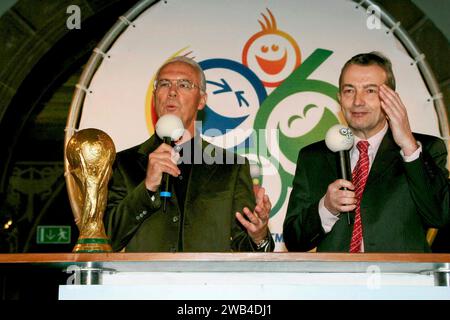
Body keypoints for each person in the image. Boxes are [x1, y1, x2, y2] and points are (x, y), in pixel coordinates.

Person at [283, 52, 449, 253]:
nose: (357, 101)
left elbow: (440, 215)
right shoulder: (314, 157)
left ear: (390, 98)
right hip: (333, 282)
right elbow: (293, 240)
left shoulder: (424, 150)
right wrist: (326, 207)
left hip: (400, 281)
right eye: (349, 91)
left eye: (370, 90)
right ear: (339, 99)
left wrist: (408, 144)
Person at [104, 56, 274, 252]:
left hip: (207, 282)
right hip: (146, 281)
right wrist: (147, 188)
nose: (172, 92)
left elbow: (245, 248)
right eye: (164, 84)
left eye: (184, 85)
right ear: (155, 96)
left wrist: (259, 237)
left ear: (201, 100)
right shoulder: (124, 163)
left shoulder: (231, 166)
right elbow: (106, 240)